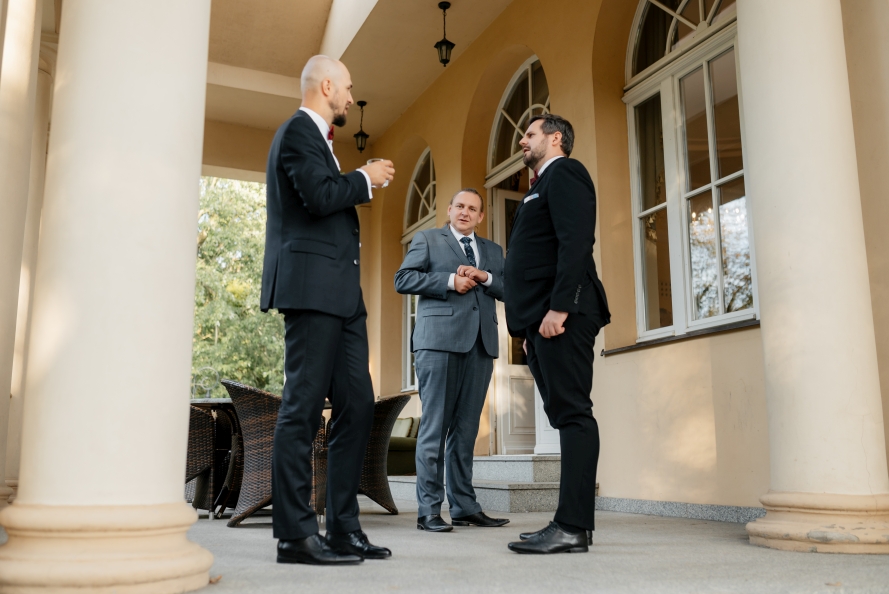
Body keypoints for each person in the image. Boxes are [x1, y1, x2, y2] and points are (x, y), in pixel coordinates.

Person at [260, 55, 395, 565]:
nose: (351, 98)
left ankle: (342, 528)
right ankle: (296, 536)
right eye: (348, 89)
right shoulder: (297, 131)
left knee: (358, 404)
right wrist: (364, 177)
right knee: (302, 408)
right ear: (327, 86)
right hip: (311, 289)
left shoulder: (321, 141)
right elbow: (317, 197)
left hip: (343, 296)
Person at [503, 114, 610, 554]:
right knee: (565, 415)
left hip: (565, 314)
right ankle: (571, 524)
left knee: (573, 414)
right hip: (543, 322)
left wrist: (560, 307)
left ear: (556, 138)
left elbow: (576, 242)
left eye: (530, 134)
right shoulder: (539, 186)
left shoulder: (565, 172)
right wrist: (530, 327)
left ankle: (571, 527)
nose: (522, 141)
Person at [394, 189, 509, 533]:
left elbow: (509, 288)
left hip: (481, 345)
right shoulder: (428, 240)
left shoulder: (493, 251)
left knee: (466, 431)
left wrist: (485, 277)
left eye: (472, 208)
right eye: (459, 206)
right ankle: (429, 510)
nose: (465, 212)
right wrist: (449, 281)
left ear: (480, 216)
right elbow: (403, 279)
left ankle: (464, 507)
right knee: (434, 429)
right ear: (449, 210)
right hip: (437, 344)